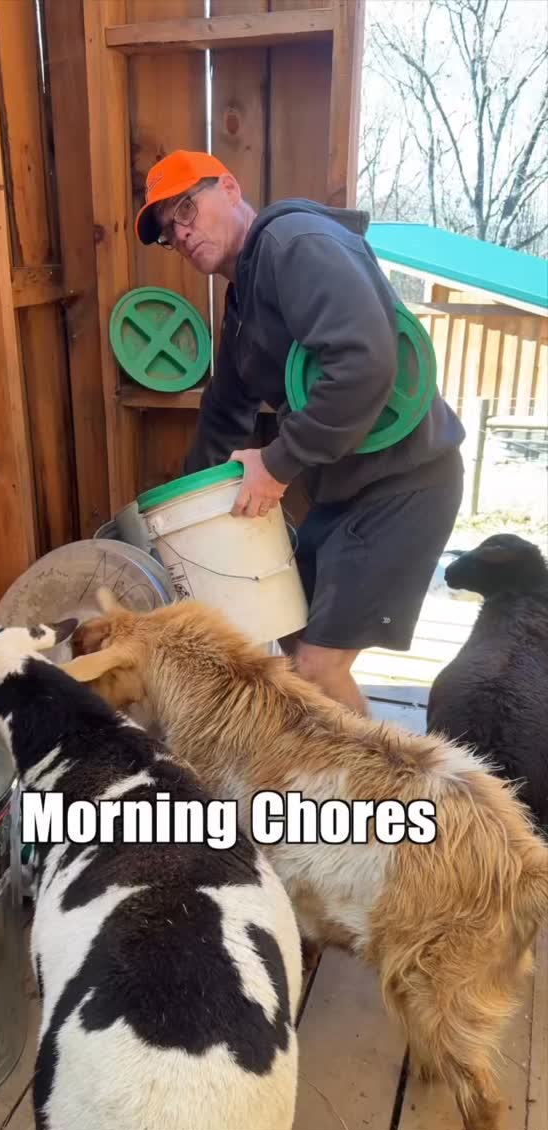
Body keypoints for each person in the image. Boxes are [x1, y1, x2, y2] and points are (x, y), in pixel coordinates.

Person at [134, 150, 466, 716]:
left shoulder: (294, 242)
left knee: (318, 667)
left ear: (231, 188)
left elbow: (364, 362)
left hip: (406, 483)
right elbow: (224, 412)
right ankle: (322, 779)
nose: (182, 232)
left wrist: (278, 462)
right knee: (287, 635)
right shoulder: (242, 299)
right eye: (168, 231)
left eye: (186, 207)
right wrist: (176, 520)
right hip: (346, 490)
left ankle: (378, 795)